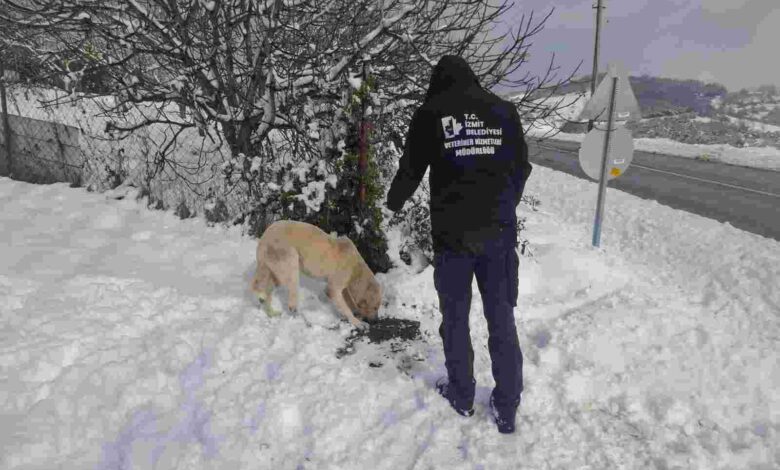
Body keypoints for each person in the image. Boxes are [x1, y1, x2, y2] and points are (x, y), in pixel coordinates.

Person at [384, 55, 532, 434]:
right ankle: (507, 404)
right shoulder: (504, 110)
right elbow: (522, 168)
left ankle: (462, 394)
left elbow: (411, 169)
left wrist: (392, 203)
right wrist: (504, 205)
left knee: (455, 318)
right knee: (501, 318)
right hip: (498, 237)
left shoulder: (431, 113)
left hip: (453, 239)